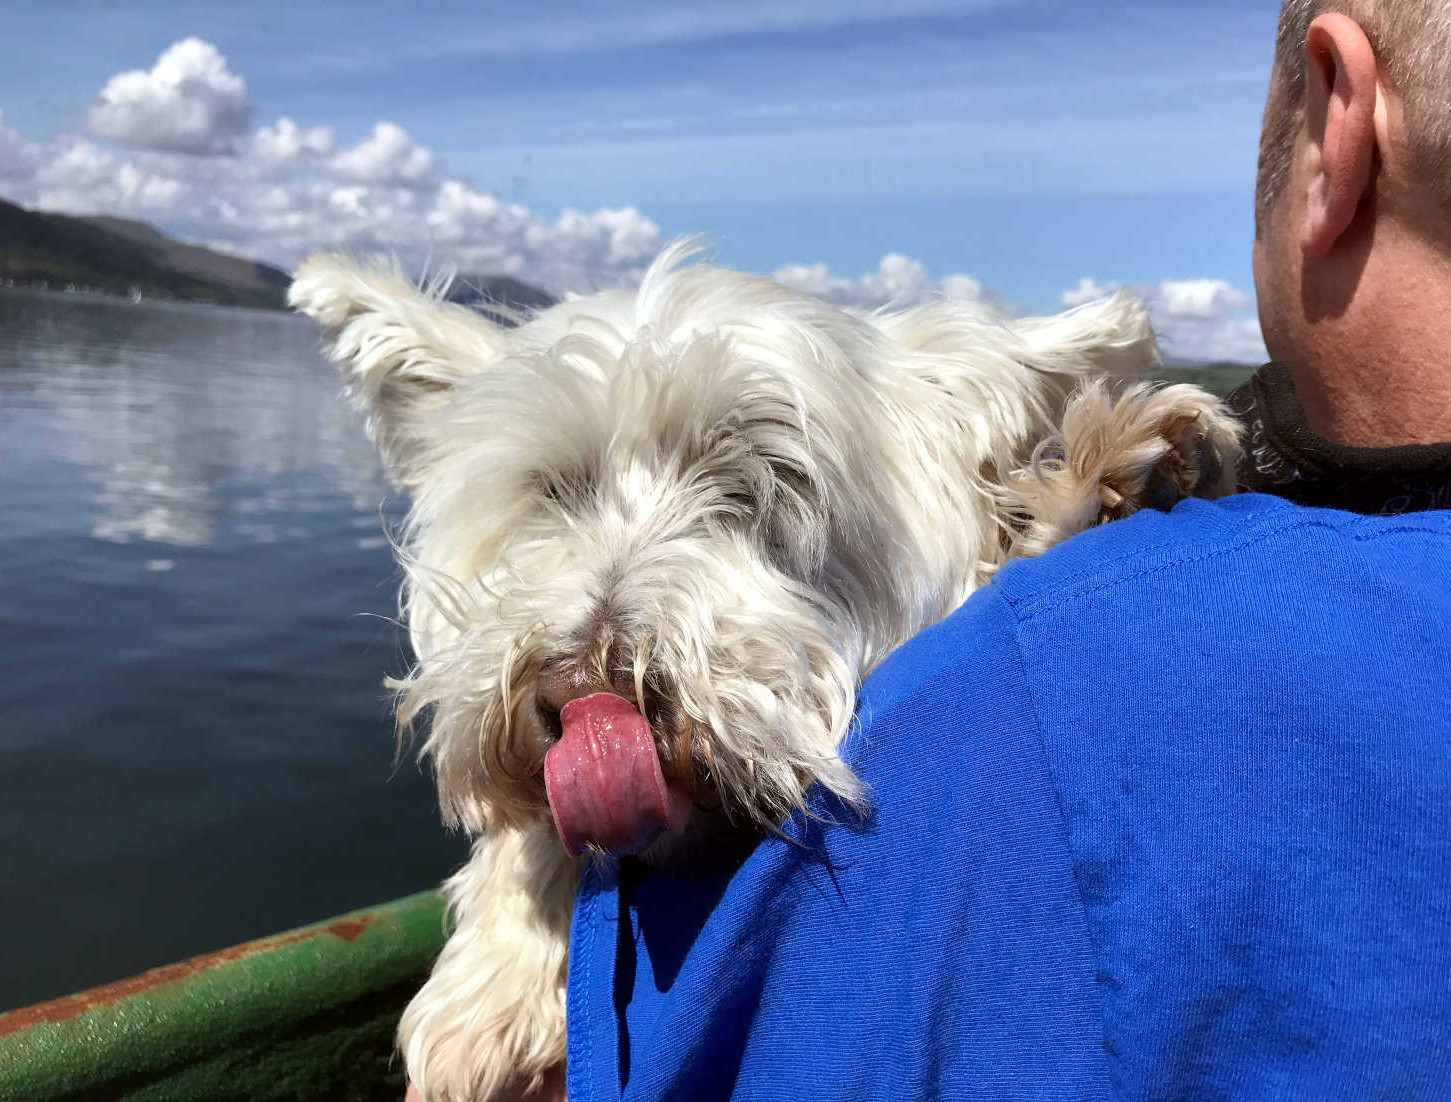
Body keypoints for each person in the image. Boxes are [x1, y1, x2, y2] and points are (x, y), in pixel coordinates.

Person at [412, 4, 1451, 1099]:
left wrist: (541, 891)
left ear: (1336, 115)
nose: (589, 667)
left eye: (757, 494)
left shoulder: (1009, 697)